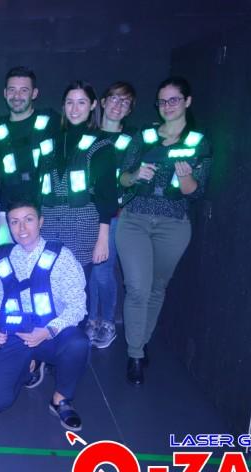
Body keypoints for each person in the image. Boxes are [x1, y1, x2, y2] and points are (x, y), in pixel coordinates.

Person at [116, 76, 211, 385]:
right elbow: (122, 178)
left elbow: (195, 192)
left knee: (157, 288)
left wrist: (185, 177)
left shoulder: (198, 141)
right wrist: (135, 175)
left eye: (174, 100)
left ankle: (141, 342)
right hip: (135, 219)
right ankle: (134, 355)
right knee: (137, 288)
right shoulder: (144, 136)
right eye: (162, 101)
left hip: (174, 224)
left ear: (187, 101)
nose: (167, 106)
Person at [0, 201, 90, 431]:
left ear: (40, 222)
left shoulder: (61, 257)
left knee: (78, 343)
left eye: (28, 219)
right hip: (15, 333)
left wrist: (48, 331)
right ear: (9, 226)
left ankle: (61, 399)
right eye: (15, 222)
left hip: (51, 333)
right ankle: (28, 366)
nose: (22, 228)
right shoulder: (4, 258)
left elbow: (78, 306)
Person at [37, 81, 117, 282]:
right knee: (46, 285)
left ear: (93, 105)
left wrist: (103, 240)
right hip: (49, 223)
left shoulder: (101, 144)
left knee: (77, 288)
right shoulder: (50, 139)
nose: (74, 109)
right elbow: (40, 186)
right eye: (69, 102)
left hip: (82, 226)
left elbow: (107, 195)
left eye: (81, 102)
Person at [86, 82, 137, 349]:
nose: (118, 105)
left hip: (114, 215)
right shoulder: (87, 135)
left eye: (125, 102)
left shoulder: (133, 141)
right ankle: (91, 320)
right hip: (85, 215)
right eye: (114, 99)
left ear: (130, 109)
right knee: (90, 272)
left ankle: (107, 321)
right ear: (103, 102)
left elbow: (134, 180)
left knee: (103, 272)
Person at [0, 66, 59, 247]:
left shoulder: (51, 121)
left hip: (42, 206)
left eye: (24, 90)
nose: (17, 96)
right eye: (12, 90)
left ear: (34, 93)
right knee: (5, 257)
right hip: (7, 207)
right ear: (5, 93)